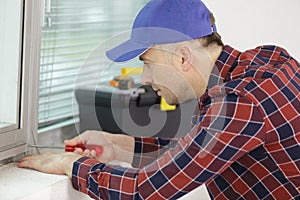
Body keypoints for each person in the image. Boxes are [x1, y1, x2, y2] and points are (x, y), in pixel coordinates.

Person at [18, 0, 300, 199]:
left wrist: (71, 166)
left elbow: (145, 191)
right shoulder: (267, 59)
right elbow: (198, 148)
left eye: (147, 62)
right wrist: (117, 146)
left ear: (182, 57)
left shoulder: (241, 102)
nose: (144, 78)